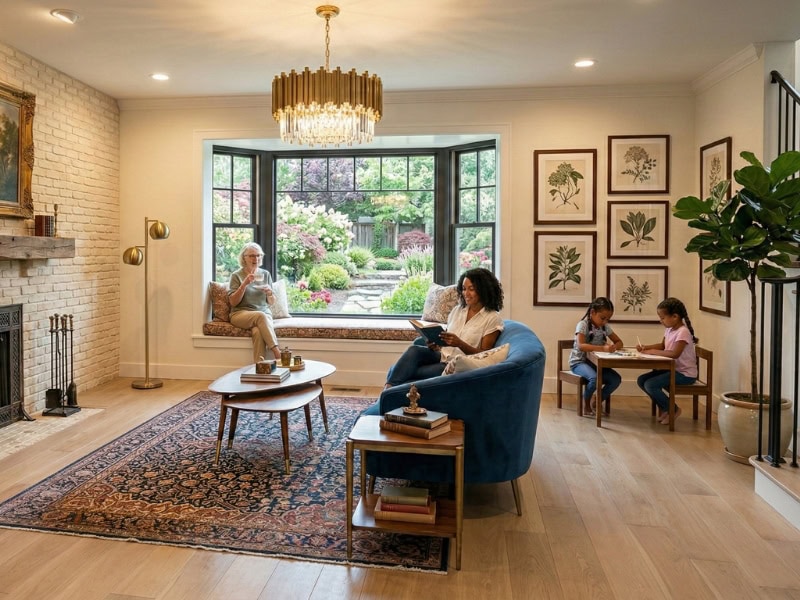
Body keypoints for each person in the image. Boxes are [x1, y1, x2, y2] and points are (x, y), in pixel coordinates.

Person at [384, 267, 504, 388]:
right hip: (441, 355)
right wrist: (436, 343)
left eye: (471, 289)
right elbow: (447, 337)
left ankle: (388, 391)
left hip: (454, 365)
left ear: (484, 290)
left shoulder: (492, 318)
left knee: (405, 371)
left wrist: (460, 344)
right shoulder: (458, 310)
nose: (466, 293)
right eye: (463, 289)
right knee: (414, 350)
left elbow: (485, 355)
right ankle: (387, 389)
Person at [636, 297, 698, 424]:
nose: (661, 321)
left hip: (684, 374)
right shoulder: (669, 329)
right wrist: (646, 347)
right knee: (642, 380)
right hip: (671, 369)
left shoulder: (683, 332)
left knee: (650, 384)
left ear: (675, 316)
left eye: (663, 318)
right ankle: (665, 408)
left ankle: (673, 409)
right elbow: (663, 346)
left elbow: (674, 354)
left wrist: (652, 352)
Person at [569, 297, 623, 416]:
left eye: (608, 319)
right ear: (593, 312)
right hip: (579, 362)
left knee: (615, 379)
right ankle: (586, 402)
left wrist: (614, 346)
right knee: (594, 379)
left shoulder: (605, 327)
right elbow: (581, 345)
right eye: (602, 318)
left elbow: (619, 342)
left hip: (596, 363)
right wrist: (603, 348)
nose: (605, 322)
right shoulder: (582, 325)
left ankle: (597, 400)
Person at [228, 242, 282, 363]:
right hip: (240, 314)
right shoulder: (236, 275)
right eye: (252, 255)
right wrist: (244, 284)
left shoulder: (265, 274)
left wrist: (269, 293)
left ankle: (259, 367)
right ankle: (278, 353)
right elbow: (233, 302)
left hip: (263, 313)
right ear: (244, 257)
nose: (256, 258)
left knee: (257, 331)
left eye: (258, 255)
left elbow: (271, 302)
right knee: (260, 316)